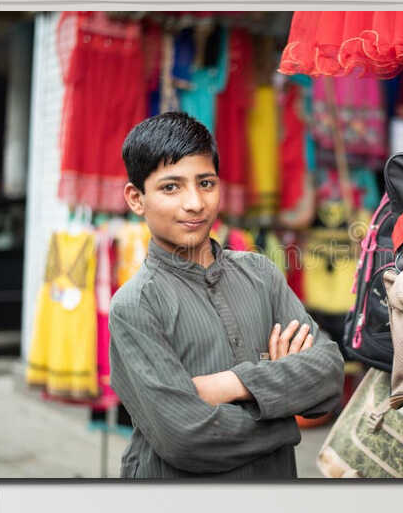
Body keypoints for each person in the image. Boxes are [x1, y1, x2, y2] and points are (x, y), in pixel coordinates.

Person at [105, 112, 343, 480]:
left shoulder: (260, 274)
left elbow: (328, 375)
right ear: (137, 199)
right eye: (171, 187)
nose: (195, 203)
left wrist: (232, 384)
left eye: (206, 183)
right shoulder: (136, 305)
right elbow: (187, 438)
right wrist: (284, 414)